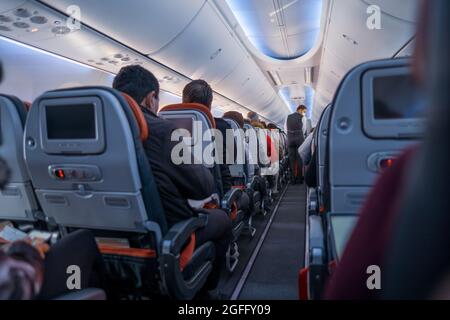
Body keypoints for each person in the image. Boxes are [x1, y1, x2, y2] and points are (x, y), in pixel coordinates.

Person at [113, 67, 232, 297]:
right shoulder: (163, 130)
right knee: (222, 220)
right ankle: (205, 292)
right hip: (165, 235)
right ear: (150, 98)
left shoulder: (105, 129)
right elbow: (202, 187)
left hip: (108, 233)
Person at [182, 80, 250, 215]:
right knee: (246, 199)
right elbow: (232, 163)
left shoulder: (171, 125)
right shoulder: (223, 127)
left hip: (179, 199)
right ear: (210, 104)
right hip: (215, 199)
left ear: (183, 100)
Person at [286, 105, 307, 184]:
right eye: (304, 111)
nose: (304, 113)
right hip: (299, 140)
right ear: (300, 109)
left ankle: (292, 179)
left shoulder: (288, 117)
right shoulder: (303, 118)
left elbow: (286, 128)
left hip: (290, 140)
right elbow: (303, 129)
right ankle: (299, 179)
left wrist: (291, 135)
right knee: (299, 159)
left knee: (291, 159)